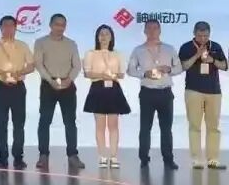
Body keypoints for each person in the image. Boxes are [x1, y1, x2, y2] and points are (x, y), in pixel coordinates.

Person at [33, 13, 85, 171]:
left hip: (68, 85)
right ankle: (43, 155)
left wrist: (69, 79)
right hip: (48, 85)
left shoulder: (71, 44)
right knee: (45, 120)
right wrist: (50, 80)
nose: (60, 27)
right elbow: (39, 64)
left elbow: (77, 65)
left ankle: (72, 155)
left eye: (63, 25)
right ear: (50, 25)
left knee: (70, 122)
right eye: (57, 24)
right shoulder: (41, 42)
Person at [127, 19, 181, 169]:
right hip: (147, 93)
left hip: (165, 92)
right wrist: (144, 73)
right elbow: (130, 70)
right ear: (144, 31)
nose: (152, 31)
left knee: (166, 129)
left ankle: (168, 159)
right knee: (145, 128)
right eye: (149, 28)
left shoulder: (169, 49)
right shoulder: (138, 50)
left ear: (160, 30)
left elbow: (179, 68)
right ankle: (144, 158)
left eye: (155, 28)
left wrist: (169, 69)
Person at [0, 15, 34, 169]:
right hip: (0, 87)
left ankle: (18, 157)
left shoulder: (22, 45)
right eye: (5, 26)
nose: (8, 29)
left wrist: (20, 72)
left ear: (16, 28)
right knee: (1, 124)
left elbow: (31, 65)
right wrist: (2, 73)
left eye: (11, 26)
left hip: (18, 88)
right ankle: (3, 157)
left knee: (19, 124)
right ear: (1, 28)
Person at [178, 21, 229, 170]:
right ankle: (196, 159)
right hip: (193, 90)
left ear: (209, 34)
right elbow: (183, 66)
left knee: (213, 126)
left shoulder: (216, 46)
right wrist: (197, 55)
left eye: (206, 36)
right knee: (195, 125)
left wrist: (213, 60)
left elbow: (225, 66)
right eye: (200, 36)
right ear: (194, 33)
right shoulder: (186, 47)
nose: (203, 39)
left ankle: (213, 159)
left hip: (214, 91)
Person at [83, 24, 129, 168]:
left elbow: (121, 74)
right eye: (101, 34)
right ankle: (102, 156)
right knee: (100, 126)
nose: (104, 37)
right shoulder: (91, 53)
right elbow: (87, 73)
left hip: (113, 89)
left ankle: (114, 156)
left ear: (111, 37)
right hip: (98, 89)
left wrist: (112, 75)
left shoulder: (117, 54)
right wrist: (102, 75)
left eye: (107, 34)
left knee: (113, 126)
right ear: (97, 37)